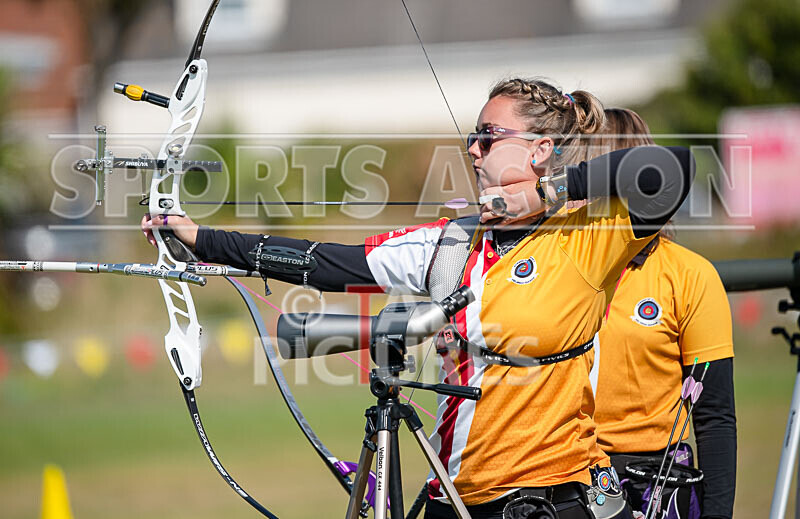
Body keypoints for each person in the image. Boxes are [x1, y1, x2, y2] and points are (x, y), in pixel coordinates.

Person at [141, 79, 695, 519]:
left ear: (541, 149)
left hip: (554, 494)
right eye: (472, 139)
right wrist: (201, 240)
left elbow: (669, 171)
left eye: (488, 135)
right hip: (457, 494)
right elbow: (326, 263)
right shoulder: (452, 242)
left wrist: (547, 193)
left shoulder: (588, 236)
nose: (473, 151)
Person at [590, 108, 736, 519]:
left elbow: (715, 417)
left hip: (652, 481)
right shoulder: (560, 269)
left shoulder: (690, 275)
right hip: (565, 472)